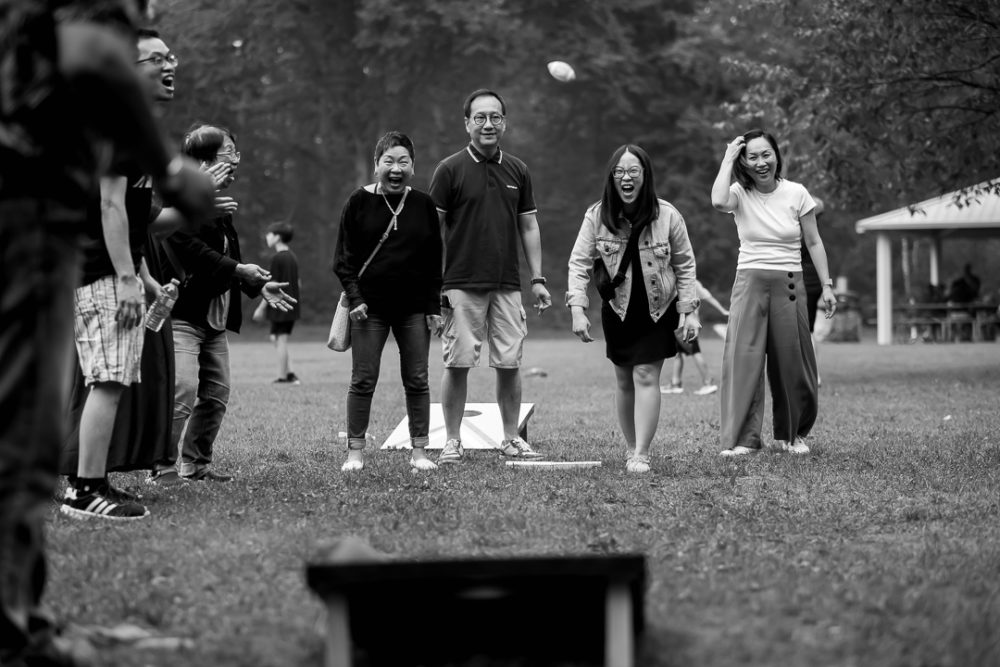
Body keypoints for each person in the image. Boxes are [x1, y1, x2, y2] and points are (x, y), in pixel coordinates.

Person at [0, 0, 215, 662]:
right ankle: (19, 629)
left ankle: (24, 621)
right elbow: (171, 187)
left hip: (38, 257)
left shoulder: (29, 47)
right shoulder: (92, 47)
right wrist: (197, 185)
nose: (154, 24)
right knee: (27, 446)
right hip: (34, 258)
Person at [60, 27, 182, 491]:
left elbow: (131, 215)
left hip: (106, 272)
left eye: (171, 57)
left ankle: (92, 483)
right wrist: (127, 277)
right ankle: (86, 488)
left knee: (107, 381)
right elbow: (108, 207)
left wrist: (145, 277)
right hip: (99, 275)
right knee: (107, 382)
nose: (170, 65)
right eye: (157, 59)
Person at [154, 124, 296, 482]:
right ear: (203, 160)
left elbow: (228, 252)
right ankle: (162, 465)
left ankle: (196, 463)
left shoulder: (217, 204)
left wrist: (256, 285)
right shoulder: (179, 200)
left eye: (236, 152)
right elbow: (189, 248)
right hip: (183, 313)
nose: (236, 160)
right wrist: (239, 269)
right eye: (228, 152)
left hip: (214, 319)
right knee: (182, 391)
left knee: (216, 394)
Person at [429, 89, 552, 465]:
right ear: (467, 123)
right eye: (480, 117)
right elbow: (432, 230)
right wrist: (432, 284)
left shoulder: (518, 170)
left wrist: (538, 279)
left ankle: (511, 438)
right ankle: (452, 441)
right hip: (459, 285)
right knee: (458, 363)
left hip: (507, 284)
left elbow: (528, 226)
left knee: (510, 362)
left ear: (504, 123)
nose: (488, 123)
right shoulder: (449, 170)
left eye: (495, 117)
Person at [567, 144, 700, 473]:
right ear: (612, 178)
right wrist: (577, 308)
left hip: (658, 307)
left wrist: (690, 310)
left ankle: (642, 452)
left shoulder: (667, 215)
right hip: (618, 308)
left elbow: (685, 265)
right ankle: (630, 447)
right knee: (624, 378)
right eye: (620, 172)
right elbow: (579, 263)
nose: (626, 177)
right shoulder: (597, 215)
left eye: (633, 172)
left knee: (645, 374)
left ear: (645, 176)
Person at [710, 129, 836, 457]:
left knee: (792, 361)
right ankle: (742, 439)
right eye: (752, 156)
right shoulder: (739, 192)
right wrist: (727, 157)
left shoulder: (797, 193)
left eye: (766, 154)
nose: (761, 162)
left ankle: (791, 435)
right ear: (743, 162)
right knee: (744, 359)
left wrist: (827, 285)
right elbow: (718, 200)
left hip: (789, 284)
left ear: (777, 156)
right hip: (749, 284)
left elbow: (813, 241)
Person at [333, 131, 443, 472]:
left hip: (413, 309)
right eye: (389, 162)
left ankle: (420, 452)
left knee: (418, 379)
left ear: (413, 167)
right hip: (369, 309)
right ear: (376, 166)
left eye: (403, 162)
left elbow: (432, 260)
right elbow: (343, 260)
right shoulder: (358, 202)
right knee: (363, 379)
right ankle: (355, 453)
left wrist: (433, 308)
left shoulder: (423, 204)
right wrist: (356, 299)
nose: (396, 169)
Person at [660, 280, 729, 396]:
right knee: (679, 353)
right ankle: (675, 383)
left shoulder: (684, 280)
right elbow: (708, 297)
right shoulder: (692, 281)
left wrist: (722, 311)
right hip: (685, 323)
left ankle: (708, 383)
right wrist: (722, 310)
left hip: (686, 324)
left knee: (695, 352)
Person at [260, 221, 302, 384]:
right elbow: (298, 283)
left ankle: (282, 377)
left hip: (281, 306)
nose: (267, 237)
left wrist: (261, 308)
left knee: (280, 339)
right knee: (275, 338)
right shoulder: (292, 256)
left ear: (277, 237)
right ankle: (290, 373)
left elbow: (271, 287)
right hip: (290, 306)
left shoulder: (278, 258)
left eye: (269, 234)